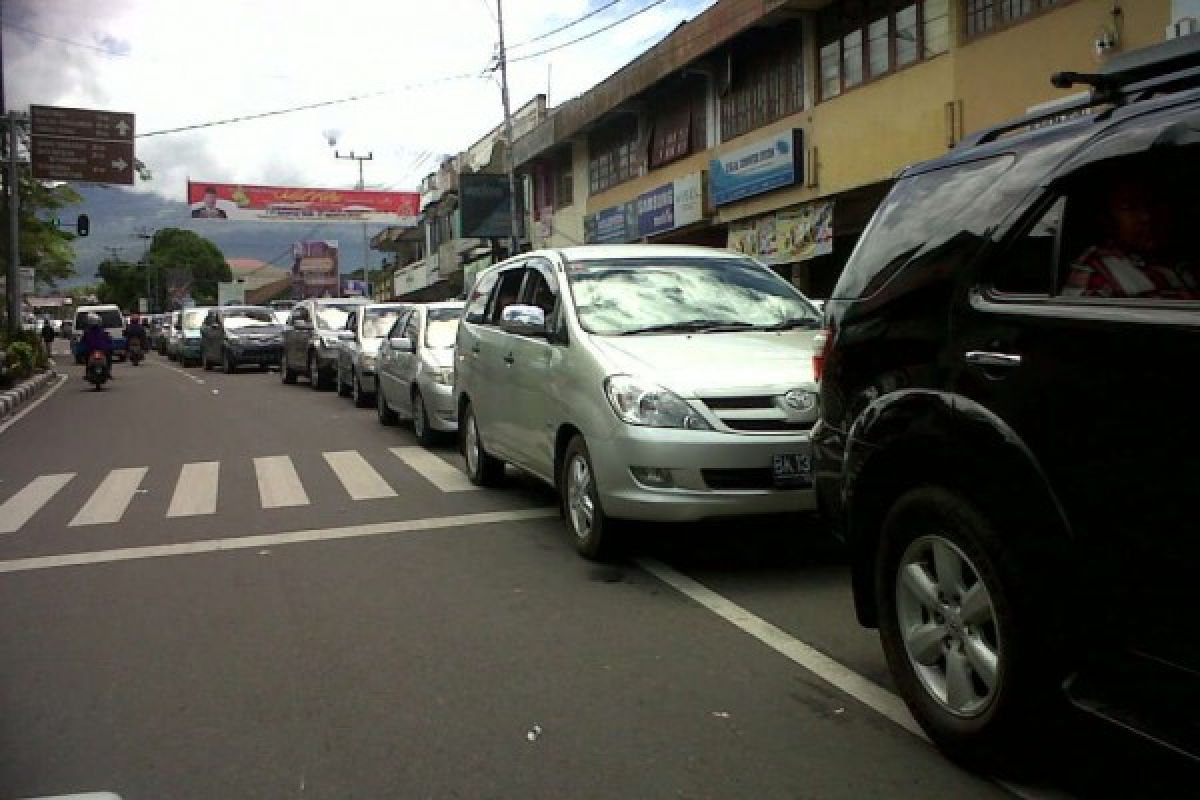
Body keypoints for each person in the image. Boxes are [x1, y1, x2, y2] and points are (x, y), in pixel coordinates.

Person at [1062, 177, 1198, 300]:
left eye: (1153, 204)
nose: (1147, 217)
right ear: (1108, 219)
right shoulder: (1098, 272)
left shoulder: (1180, 256)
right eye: (1130, 208)